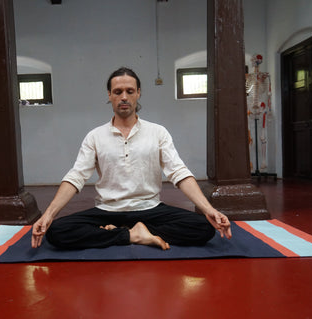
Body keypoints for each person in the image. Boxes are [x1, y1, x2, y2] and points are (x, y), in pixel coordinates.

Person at [31, 67, 232, 251]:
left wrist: (208, 209)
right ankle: (135, 234)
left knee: (203, 227)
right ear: (109, 95)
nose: (124, 97)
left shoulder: (157, 132)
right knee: (57, 231)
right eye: (118, 92)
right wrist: (48, 215)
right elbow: (76, 177)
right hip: (107, 210)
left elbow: (178, 172)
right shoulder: (95, 136)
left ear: (138, 93)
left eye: (130, 91)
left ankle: (120, 233)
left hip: (150, 209)